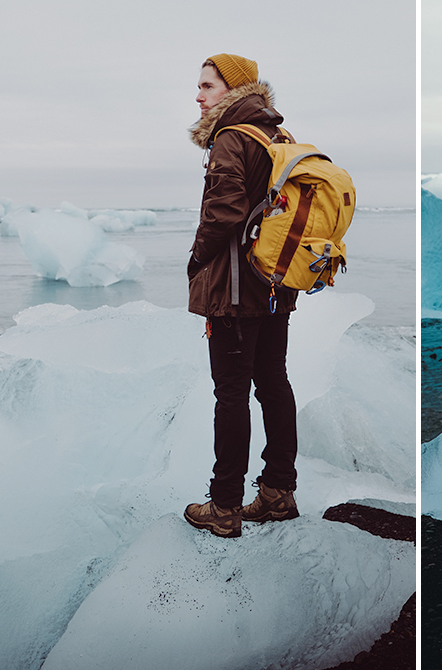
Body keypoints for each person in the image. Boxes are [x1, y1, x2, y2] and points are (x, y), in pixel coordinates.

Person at [183, 53, 301, 538]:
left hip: (235, 289)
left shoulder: (232, 136)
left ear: (231, 90)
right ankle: (278, 492)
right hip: (277, 282)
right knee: (273, 382)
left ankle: (225, 505)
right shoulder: (278, 135)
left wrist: (196, 260)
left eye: (207, 86)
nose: (198, 95)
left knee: (231, 393)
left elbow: (224, 212)